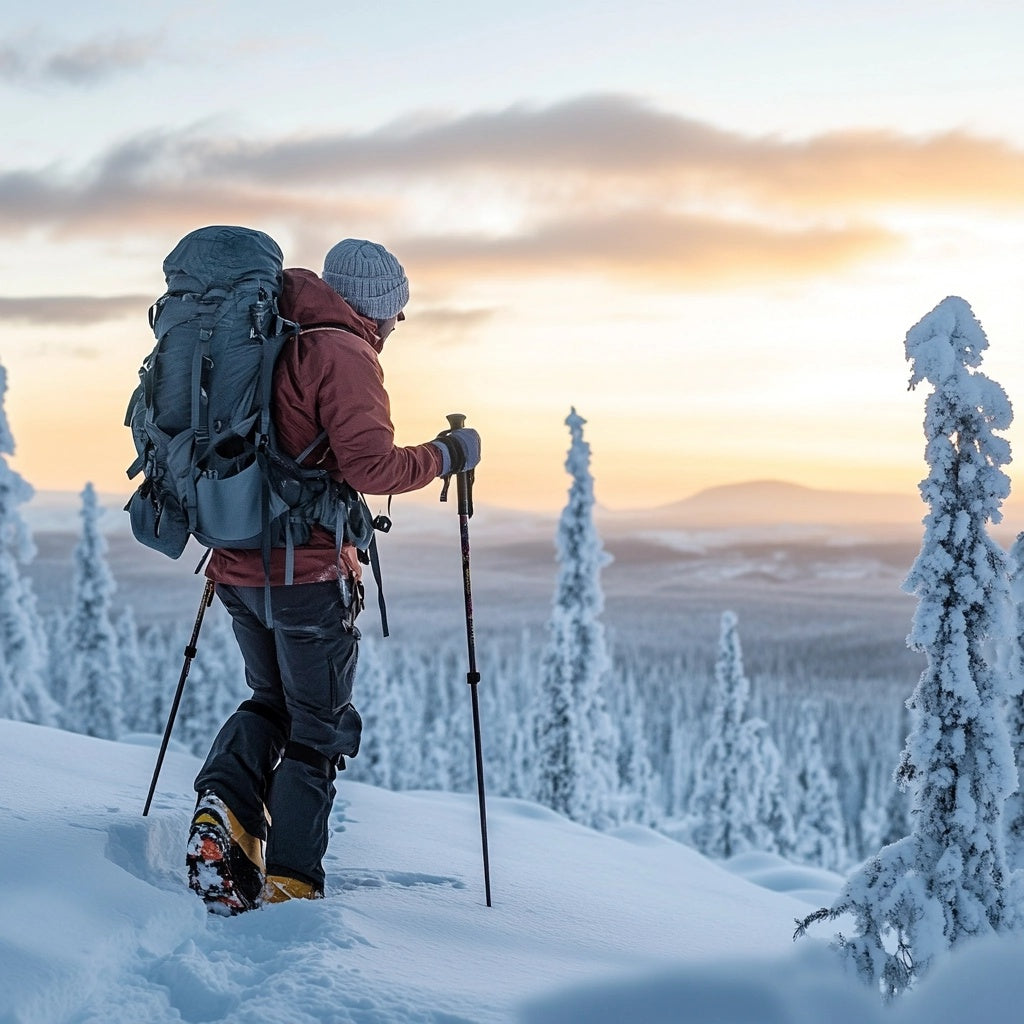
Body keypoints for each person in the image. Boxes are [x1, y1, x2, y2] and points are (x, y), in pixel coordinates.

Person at [185, 238, 481, 914]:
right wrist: (447, 454)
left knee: (269, 703)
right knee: (317, 727)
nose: (394, 330)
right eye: (396, 316)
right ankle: (293, 881)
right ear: (375, 308)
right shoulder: (342, 353)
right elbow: (372, 469)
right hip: (307, 573)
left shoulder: (269, 332)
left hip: (236, 566)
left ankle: (223, 820)